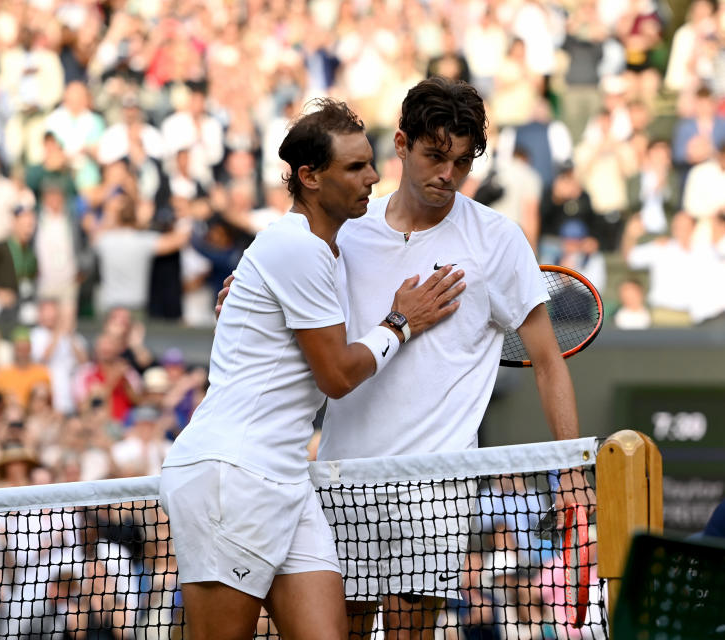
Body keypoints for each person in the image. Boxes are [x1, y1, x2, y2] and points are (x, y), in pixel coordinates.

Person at [219, 78, 591, 640]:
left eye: (462, 162)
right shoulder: (344, 234)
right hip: (342, 481)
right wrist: (248, 294)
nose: (448, 174)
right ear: (400, 143)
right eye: (435, 156)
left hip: (437, 489)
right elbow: (306, 315)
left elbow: (548, 360)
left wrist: (569, 469)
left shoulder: (499, 239)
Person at [160, 99, 464, 640]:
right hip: (232, 474)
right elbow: (338, 377)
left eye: (371, 162)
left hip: (286, 479)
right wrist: (401, 322)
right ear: (310, 177)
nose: (373, 176)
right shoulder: (296, 246)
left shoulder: (322, 250)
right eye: (354, 167)